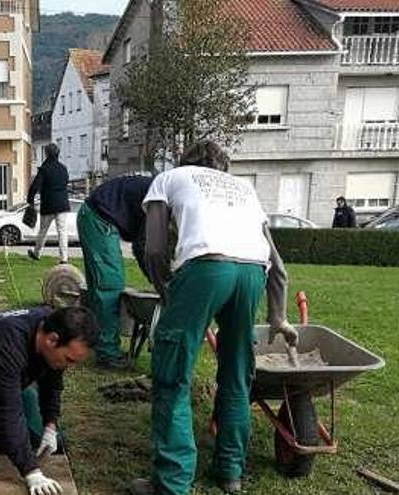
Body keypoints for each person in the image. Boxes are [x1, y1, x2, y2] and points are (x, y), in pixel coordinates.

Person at [130, 141, 298, 495]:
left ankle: (172, 483)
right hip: (253, 274)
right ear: (224, 167)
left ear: (185, 160)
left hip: (205, 267)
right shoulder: (244, 188)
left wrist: (166, 291)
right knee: (237, 376)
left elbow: (156, 248)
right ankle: (230, 472)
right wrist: (279, 317)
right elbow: (277, 265)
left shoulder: (169, 178)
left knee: (172, 376)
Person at [0, 306, 99, 495]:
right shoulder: (5, 341)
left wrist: (50, 425)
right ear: (52, 339)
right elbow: (8, 411)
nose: (69, 367)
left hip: (1, 380)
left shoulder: (55, 324)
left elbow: (52, 382)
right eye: (69, 360)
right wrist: (31, 472)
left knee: (41, 440)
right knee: (7, 427)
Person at [77, 175, 154, 370]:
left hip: (98, 214)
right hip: (99, 217)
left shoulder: (170, 192)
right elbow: (142, 245)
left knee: (102, 286)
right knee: (109, 287)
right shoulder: (163, 197)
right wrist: (156, 282)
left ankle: (96, 342)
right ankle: (108, 354)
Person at [27, 143, 71, 264]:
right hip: (62, 204)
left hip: (48, 205)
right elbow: (66, 181)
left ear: (46, 154)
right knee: (62, 231)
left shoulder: (44, 169)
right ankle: (64, 258)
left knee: (43, 230)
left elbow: (35, 186)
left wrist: (30, 200)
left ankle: (37, 254)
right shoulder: (63, 168)